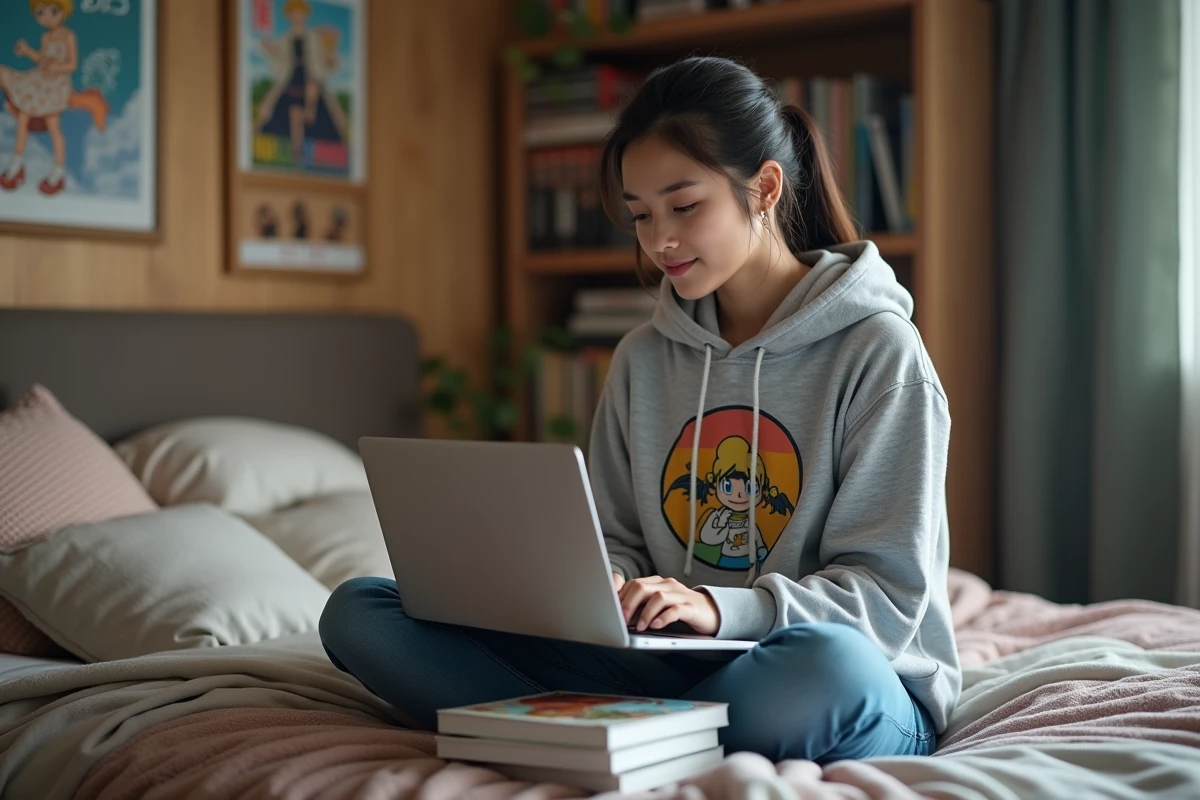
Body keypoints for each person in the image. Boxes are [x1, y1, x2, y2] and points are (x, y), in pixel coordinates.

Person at [320, 56, 959, 763]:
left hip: (834, 671)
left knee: (826, 666)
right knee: (362, 613)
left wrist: (720, 609)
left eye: (684, 207)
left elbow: (888, 598)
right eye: (640, 215)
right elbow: (617, 535)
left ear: (764, 188)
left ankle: (610, 728)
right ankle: (657, 731)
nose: (659, 241)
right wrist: (606, 581)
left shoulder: (879, 352)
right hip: (666, 668)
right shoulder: (643, 359)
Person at [0, 0, 79, 195]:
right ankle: (17, 162)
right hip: (40, 79)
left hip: (56, 84)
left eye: (53, 11)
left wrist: (56, 68)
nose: (47, 17)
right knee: (23, 118)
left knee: (53, 125)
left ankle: (58, 170)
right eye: (40, 13)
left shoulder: (68, 35)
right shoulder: (46, 37)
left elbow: (72, 64)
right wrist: (28, 51)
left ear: (63, 12)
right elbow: (42, 58)